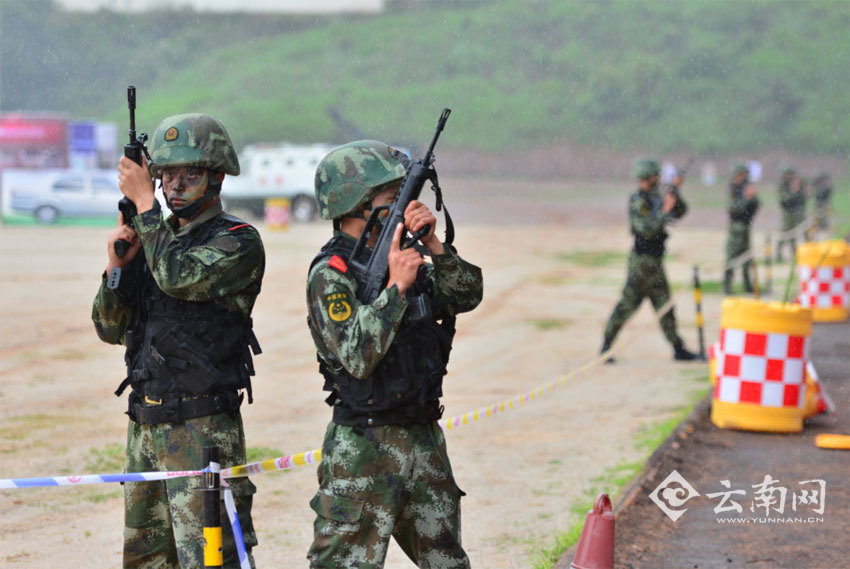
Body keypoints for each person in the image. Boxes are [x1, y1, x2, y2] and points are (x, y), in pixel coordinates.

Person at [91, 114, 264, 569]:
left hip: (202, 430)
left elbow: (178, 276)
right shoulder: (154, 241)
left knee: (210, 561)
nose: (175, 185)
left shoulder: (237, 241)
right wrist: (117, 268)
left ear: (218, 176)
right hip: (145, 427)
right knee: (145, 561)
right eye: (167, 175)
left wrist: (146, 206)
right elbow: (109, 328)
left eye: (191, 174)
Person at [305, 140, 483, 569]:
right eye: (393, 198)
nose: (404, 205)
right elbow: (357, 357)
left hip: (422, 435)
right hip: (363, 447)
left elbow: (467, 294)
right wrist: (395, 290)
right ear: (356, 204)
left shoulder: (408, 256)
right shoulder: (331, 275)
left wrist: (435, 245)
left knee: (447, 561)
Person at [599, 159, 697, 362]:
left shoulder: (658, 197)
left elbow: (680, 212)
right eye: (644, 179)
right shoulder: (638, 201)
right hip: (641, 264)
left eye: (648, 178)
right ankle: (606, 346)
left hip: (655, 262)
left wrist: (675, 196)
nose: (645, 182)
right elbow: (648, 229)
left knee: (665, 307)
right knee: (627, 306)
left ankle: (678, 348)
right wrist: (664, 211)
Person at [724, 163, 759, 294]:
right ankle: (727, 285)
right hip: (736, 226)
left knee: (746, 257)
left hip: (745, 226)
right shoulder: (734, 189)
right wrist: (747, 199)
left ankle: (747, 284)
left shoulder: (746, 187)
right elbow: (734, 208)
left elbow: (756, 205)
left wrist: (752, 198)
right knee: (731, 256)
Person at [776, 165, 806, 262]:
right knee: (785, 232)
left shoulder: (792, 183)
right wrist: (794, 191)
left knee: (793, 233)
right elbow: (785, 199)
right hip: (787, 212)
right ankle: (778, 254)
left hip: (794, 211)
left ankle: (794, 254)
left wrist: (799, 190)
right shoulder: (782, 186)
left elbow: (801, 198)